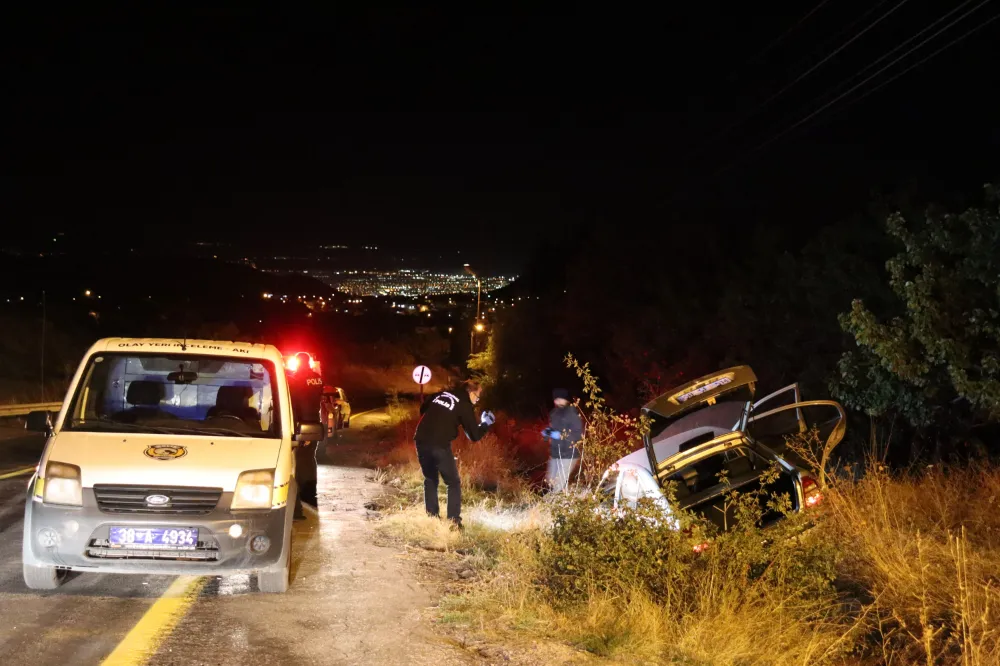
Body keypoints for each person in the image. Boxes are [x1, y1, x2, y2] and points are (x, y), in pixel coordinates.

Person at [413, 379, 495, 528]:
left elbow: (423, 408)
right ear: (470, 393)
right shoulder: (464, 405)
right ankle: (454, 521)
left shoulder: (441, 394)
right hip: (439, 444)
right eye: (477, 396)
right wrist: (485, 423)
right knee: (453, 482)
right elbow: (474, 435)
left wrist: (437, 420)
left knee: (430, 478)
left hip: (420, 440)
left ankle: (431, 517)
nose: (477, 400)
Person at [286, 352, 324, 519]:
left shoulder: (296, 379)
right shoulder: (317, 379)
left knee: (300, 462)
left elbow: (296, 400)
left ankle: (301, 497)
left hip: (302, 425)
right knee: (309, 459)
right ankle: (310, 494)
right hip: (314, 423)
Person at [542, 388, 583, 493]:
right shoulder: (554, 413)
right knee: (549, 481)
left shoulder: (572, 414)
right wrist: (547, 433)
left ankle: (552, 505)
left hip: (569, 455)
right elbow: (552, 428)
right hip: (555, 453)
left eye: (560, 399)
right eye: (556, 399)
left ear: (566, 400)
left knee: (558, 484)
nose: (558, 401)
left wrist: (560, 435)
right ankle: (563, 500)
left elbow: (578, 435)